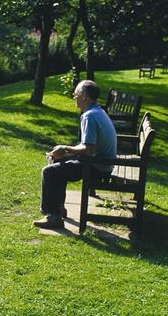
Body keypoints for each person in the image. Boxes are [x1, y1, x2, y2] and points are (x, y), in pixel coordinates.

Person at [34, 80, 117, 230]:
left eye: (76, 94)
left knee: (49, 172)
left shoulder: (89, 116)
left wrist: (65, 148)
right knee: (57, 160)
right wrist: (64, 152)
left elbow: (88, 149)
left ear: (84, 96)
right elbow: (88, 146)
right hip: (101, 163)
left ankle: (53, 218)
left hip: (96, 167)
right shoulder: (97, 111)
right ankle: (58, 209)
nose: (74, 97)